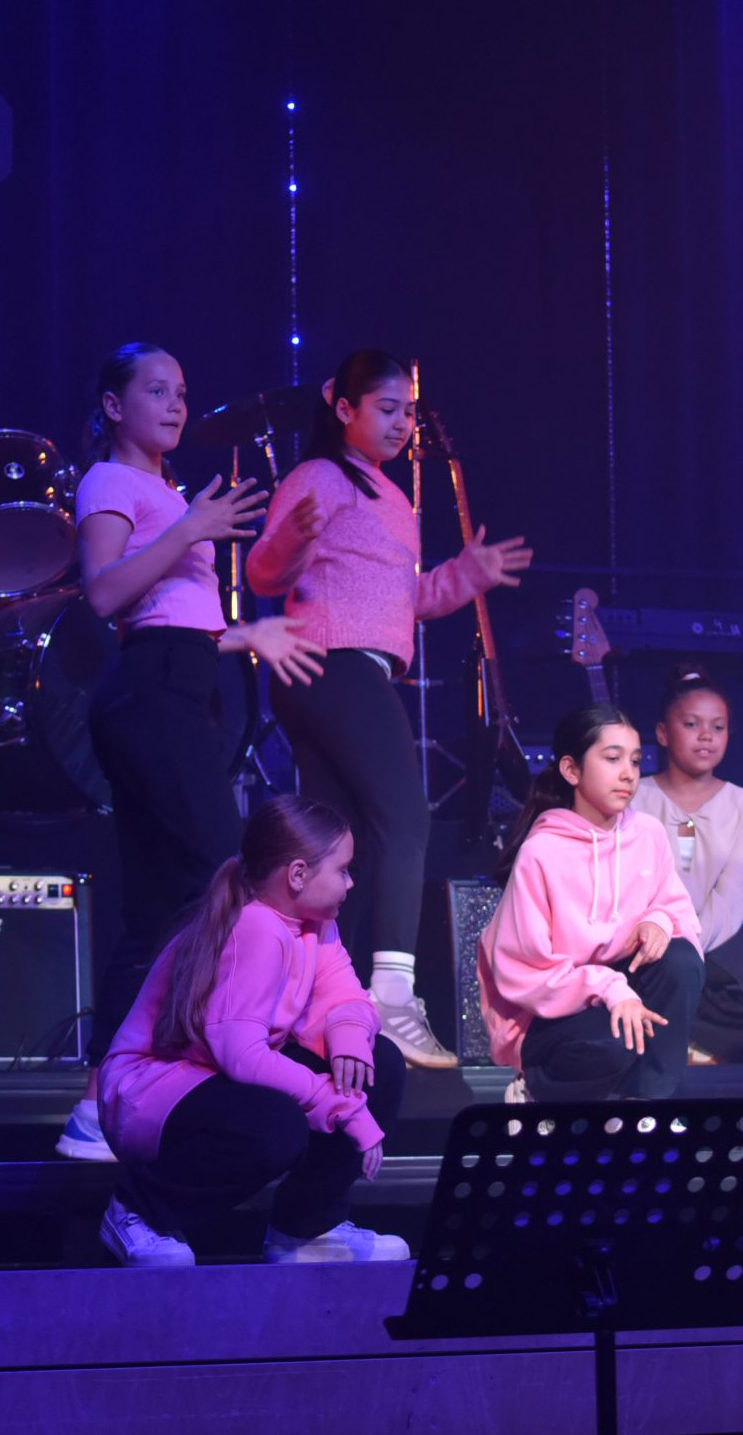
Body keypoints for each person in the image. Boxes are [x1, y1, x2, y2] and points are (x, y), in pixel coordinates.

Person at [54, 342, 326, 1162]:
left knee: (162, 907)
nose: (177, 404)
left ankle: (102, 1100)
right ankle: (218, 1058)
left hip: (179, 681)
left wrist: (245, 634)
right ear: (114, 405)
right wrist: (191, 529)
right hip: (149, 692)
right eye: (157, 390)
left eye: (181, 391)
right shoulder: (109, 481)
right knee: (223, 873)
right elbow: (105, 592)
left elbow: (177, 616)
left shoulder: (166, 490)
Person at [246, 349, 535, 1068]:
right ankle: (393, 995)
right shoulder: (319, 476)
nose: (403, 423)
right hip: (329, 664)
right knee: (405, 818)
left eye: (408, 411)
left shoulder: (391, 499)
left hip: (352, 667)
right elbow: (264, 572)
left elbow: (401, 604)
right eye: (386, 408)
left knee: (341, 844)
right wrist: (292, 538)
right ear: (343, 408)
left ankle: (322, 998)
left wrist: (466, 576)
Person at [95, 796, 408, 1266]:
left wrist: (348, 1038)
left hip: (220, 1070)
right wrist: (338, 1104)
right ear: (298, 875)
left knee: (377, 1062)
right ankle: (139, 1211)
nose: (351, 882)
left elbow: (346, 996)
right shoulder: (254, 927)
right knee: (274, 1128)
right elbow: (241, 1056)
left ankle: (306, 1228)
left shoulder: (316, 923)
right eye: (343, 870)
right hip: (154, 1086)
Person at [479, 704, 704, 1103]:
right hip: (548, 1012)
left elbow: (677, 910)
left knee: (680, 960)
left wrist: (658, 921)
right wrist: (609, 987)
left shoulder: (648, 834)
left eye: (635, 761)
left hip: (617, 990)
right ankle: (534, 1088)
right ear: (572, 770)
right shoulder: (542, 852)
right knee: (611, 1042)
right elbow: (523, 974)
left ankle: (644, 1105)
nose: (628, 774)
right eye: (612, 759)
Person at [627, 666, 743, 1062]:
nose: (706, 736)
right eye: (691, 724)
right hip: (646, 930)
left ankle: (690, 1039)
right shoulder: (632, 798)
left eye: (718, 727)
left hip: (717, 930)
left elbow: (733, 892)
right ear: (662, 733)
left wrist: (689, 946)